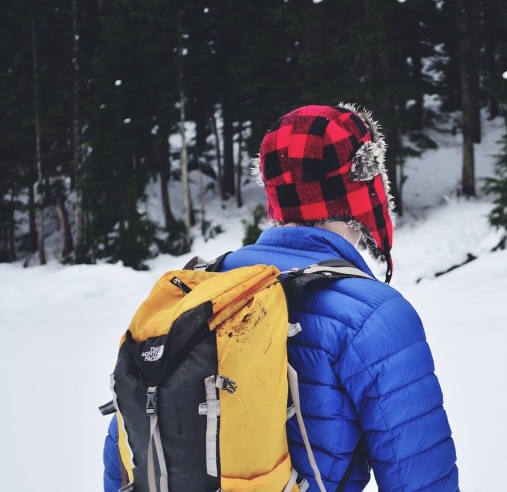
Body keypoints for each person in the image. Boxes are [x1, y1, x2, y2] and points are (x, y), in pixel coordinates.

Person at [103, 104, 459, 491]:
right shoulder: (374, 314)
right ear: (365, 184)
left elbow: (128, 451)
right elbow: (421, 478)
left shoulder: (203, 290)